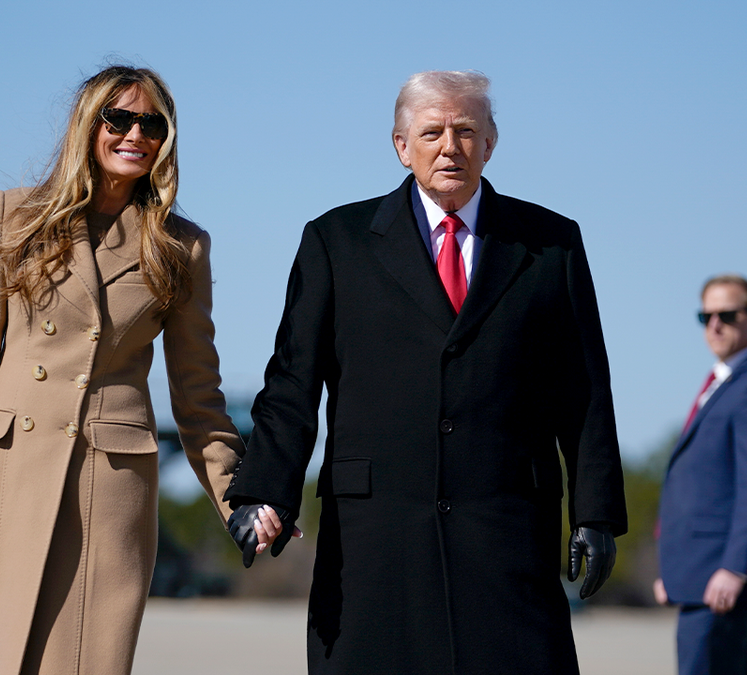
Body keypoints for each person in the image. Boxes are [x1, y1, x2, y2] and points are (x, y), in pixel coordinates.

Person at [223, 70, 628, 674]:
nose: (449, 146)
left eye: (466, 130)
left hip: (506, 529)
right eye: (431, 131)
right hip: (377, 535)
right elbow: (291, 380)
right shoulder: (337, 240)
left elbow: (585, 391)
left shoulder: (552, 244)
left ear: (491, 143)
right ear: (400, 145)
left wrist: (595, 513)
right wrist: (262, 489)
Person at [0, 66, 264, 675]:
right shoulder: (15, 217)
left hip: (106, 489)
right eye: (120, 118)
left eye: (152, 123)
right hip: (2, 478)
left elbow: (197, 394)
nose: (136, 134)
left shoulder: (181, 247)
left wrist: (239, 497)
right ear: (89, 125)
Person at [652, 275, 747, 675]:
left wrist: (736, 567)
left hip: (722, 584)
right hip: (698, 579)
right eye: (706, 315)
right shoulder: (723, 384)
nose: (714, 325)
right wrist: (673, 570)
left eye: (727, 315)